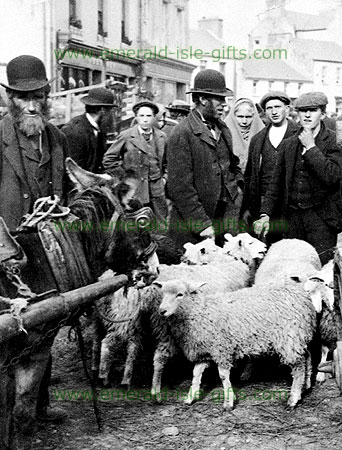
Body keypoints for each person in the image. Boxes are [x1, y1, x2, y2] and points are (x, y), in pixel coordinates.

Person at [0, 54, 69, 448]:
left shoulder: (56, 137)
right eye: (22, 98)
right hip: (6, 256)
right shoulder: (0, 136)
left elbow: (67, 188)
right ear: (11, 98)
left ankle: (39, 405)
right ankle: (11, 416)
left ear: (46, 96)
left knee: (46, 325)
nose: (31, 105)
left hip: (47, 252)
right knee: (13, 334)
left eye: (37, 97)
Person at [254, 92, 342, 264]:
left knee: (322, 268)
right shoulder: (289, 143)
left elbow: (332, 176)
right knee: (294, 268)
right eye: (303, 111)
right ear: (297, 114)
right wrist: (265, 214)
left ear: (323, 114)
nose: (307, 115)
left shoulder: (334, 140)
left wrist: (310, 147)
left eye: (313, 110)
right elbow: (276, 183)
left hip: (322, 220)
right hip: (293, 219)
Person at [166, 69, 244, 249]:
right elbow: (179, 187)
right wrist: (201, 224)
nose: (224, 104)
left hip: (223, 221)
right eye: (220, 99)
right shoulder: (182, 132)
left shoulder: (222, 128)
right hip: (194, 228)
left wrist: (237, 189)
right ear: (202, 99)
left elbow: (231, 165)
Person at [241, 91, 298, 238]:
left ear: (287, 108)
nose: (274, 112)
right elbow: (249, 175)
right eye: (269, 108)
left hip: (290, 202)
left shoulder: (299, 134)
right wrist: (247, 206)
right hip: (263, 201)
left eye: (278, 107)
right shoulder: (258, 139)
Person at [103, 100, 168, 221]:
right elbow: (108, 160)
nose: (145, 119)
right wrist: (125, 177)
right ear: (136, 117)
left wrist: (164, 178)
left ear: (154, 117)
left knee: (160, 225)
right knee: (136, 225)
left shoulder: (162, 136)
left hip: (157, 189)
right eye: (141, 116)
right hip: (134, 190)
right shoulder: (126, 136)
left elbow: (167, 162)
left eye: (148, 116)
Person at [62, 87, 115, 173]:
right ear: (103, 110)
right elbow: (73, 171)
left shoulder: (100, 130)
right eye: (110, 111)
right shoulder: (74, 132)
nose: (111, 115)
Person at [225, 97, 264, 170]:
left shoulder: (262, 133)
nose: (244, 121)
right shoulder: (224, 132)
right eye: (240, 116)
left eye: (248, 117)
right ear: (233, 116)